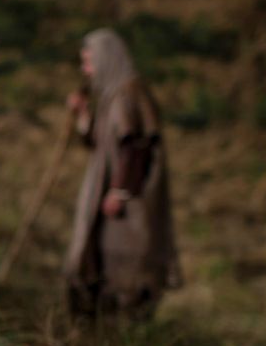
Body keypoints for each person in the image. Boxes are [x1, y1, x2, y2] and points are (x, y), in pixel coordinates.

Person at [63, 29, 182, 317]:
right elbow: (99, 142)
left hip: (127, 196)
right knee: (98, 251)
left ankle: (126, 319)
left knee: (125, 256)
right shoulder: (110, 95)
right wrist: (82, 114)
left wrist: (120, 191)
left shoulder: (129, 94)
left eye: (89, 62)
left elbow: (135, 146)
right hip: (105, 187)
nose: (85, 70)